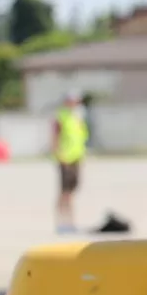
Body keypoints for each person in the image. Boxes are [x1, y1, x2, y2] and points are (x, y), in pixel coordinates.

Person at [52, 91, 89, 233]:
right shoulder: (61, 116)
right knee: (64, 191)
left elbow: (81, 138)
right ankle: (61, 222)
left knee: (72, 192)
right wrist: (59, 155)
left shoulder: (78, 117)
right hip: (65, 158)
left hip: (76, 158)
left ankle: (71, 222)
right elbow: (55, 137)